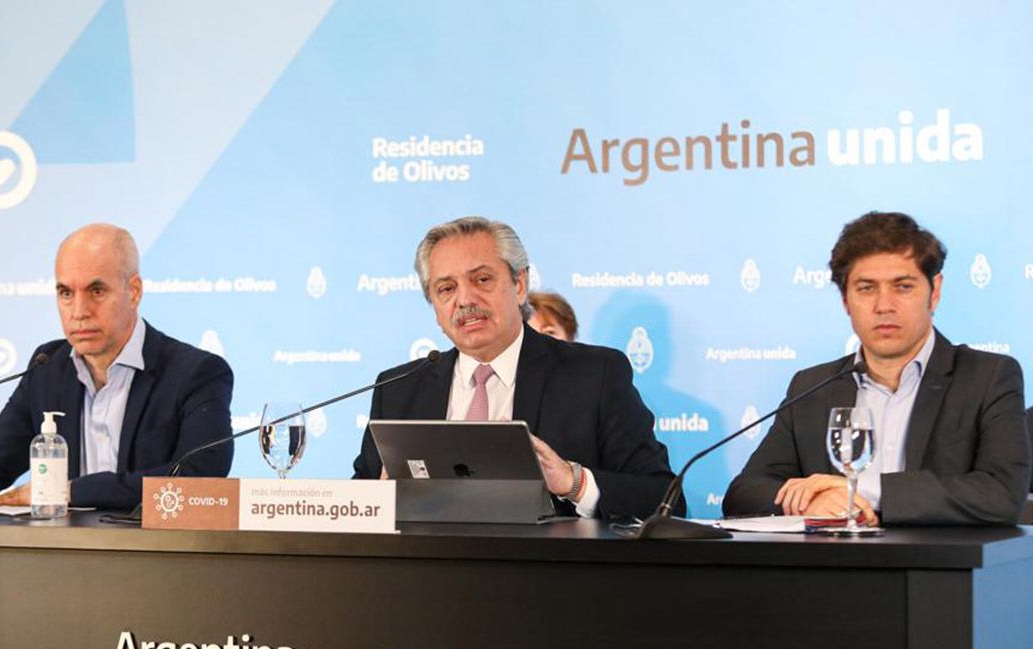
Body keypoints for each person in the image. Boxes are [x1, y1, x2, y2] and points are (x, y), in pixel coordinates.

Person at [0, 224, 234, 512]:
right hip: (60, 566)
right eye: (65, 293)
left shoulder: (196, 372)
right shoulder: (48, 367)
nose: (78, 312)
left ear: (133, 291)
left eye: (96, 291)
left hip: (154, 567)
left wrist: (68, 491)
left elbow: (200, 478)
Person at [352, 216, 678, 520]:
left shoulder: (596, 375)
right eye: (446, 288)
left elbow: (665, 499)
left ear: (520, 285)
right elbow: (357, 504)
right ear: (434, 306)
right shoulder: (398, 389)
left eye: (481, 279)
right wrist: (377, 503)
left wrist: (572, 481)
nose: (465, 300)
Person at [724, 212, 1030, 525]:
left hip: (936, 569)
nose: (884, 305)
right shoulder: (813, 386)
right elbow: (745, 493)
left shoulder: (987, 377)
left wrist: (860, 491)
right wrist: (813, 500)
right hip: (832, 568)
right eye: (866, 288)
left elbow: (1001, 494)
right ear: (845, 300)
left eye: (903, 287)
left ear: (934, 292)